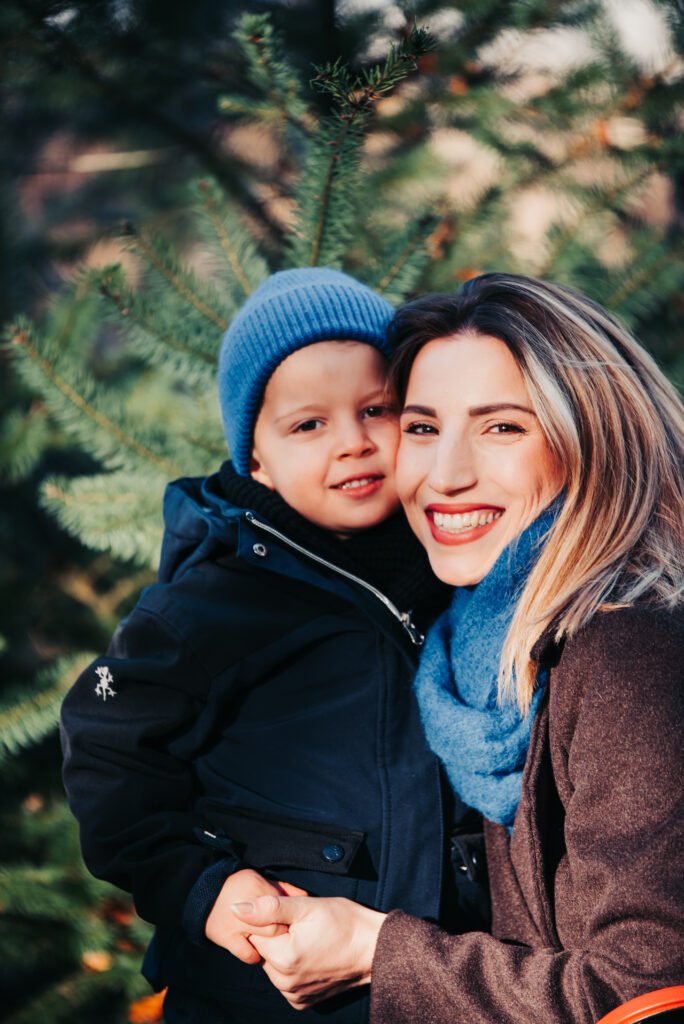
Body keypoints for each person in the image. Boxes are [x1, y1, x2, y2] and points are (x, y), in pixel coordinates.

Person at [231, 272, 684, 1024]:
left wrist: (375, 951)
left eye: (501, 427)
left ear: (592, 440)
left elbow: (648, 993)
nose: (445, 476)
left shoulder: (629, 647)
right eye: (420, 428)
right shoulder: (468, 639)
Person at [60, 267, 489, 1024]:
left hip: (433, 977)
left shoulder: (456, 560)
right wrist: (203, 887)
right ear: (254, 459)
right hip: (269, 991)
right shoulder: (211, 602)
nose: (352, 443)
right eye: (308, 425)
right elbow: (104, 741)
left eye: (376, 410)